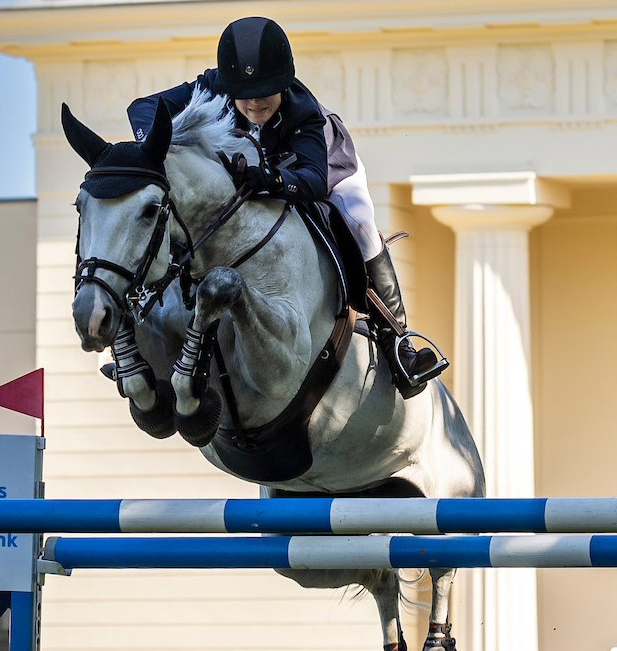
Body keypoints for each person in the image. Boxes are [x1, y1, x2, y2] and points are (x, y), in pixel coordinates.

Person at [127, 17, 446, 399]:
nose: (255, 101)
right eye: (245, 93)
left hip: (324, 170)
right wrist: (157, 146)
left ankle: (398, 340)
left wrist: (272, 179)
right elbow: (142, 109)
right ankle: (146, 324)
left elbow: (312, 180)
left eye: (265, 91)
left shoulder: (304, 112)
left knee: (359, 221)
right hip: (249, 174)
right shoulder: (212, 86)